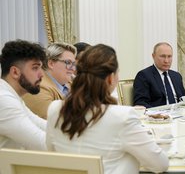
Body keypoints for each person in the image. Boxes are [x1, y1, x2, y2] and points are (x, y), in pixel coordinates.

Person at [46, 44, 169, 174]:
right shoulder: (123, 117)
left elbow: (52, 153)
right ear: (111, 78)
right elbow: (160, 165)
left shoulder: (55, 109)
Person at [0, 40, 47, 150]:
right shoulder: (4, 100)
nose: (42, 74)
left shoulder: (11, 96)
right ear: (15, 72)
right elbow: (41, 143)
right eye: (35, 68)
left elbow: (42, 125)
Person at [133, 42, 185, 108]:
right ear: (153, 56)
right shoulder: (144, 75)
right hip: (160, 117)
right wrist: (158, 113)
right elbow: (141, 103)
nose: (166, 61)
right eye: (162, 56)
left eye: (169, 56)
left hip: (179, 115)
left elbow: (182, 99)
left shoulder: (176, 76)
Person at [23, 42, 77, 119]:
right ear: (51, 64)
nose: (73, 68)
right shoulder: (39, 87)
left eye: (74, 64)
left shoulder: (73, 83)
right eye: (68, 62)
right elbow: (53, 121)